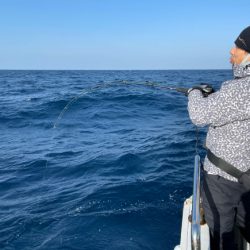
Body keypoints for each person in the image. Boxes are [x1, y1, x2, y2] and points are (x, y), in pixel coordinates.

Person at [187, 26, 250, 250]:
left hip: (224, 181)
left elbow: (199, 115)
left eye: (239, 47)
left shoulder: (240, 90)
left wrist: (194, 92)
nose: (232, 52)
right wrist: (217, 99)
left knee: (222, 237)